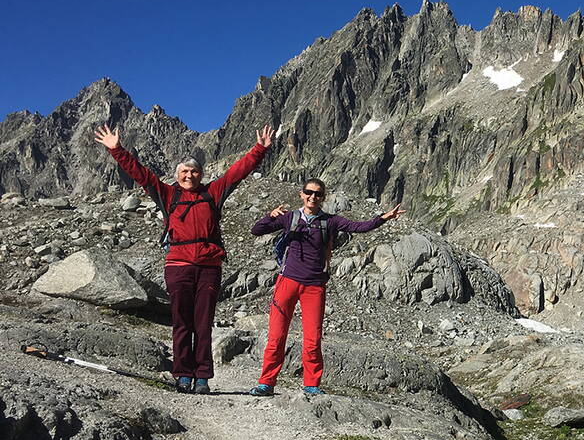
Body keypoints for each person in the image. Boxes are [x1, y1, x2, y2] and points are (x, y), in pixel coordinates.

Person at [94, 123, 272, 393]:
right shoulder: (167, 194)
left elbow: (238, 172)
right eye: (184, 172)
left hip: (209, 267)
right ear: (177, 176)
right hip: (178, 266)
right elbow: (140, 174)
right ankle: (182, 374)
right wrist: (117, 150)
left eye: (194, 171)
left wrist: (259, 149)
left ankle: (202, 377)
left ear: (201, 174)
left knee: (203, 323)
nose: (189, 175)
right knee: (181, 323)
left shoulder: (213, 192)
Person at [249, 179, 404, 396]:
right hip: (288, 282)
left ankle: (311, 384)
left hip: (314, 286)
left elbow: (358, 227)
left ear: (323, 198)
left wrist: (383, 218)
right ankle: (266, 382)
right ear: (301, 194)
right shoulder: (289, 218)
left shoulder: (330, 221)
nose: (313, 197)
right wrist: (270, 215)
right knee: (276, 336)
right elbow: (256, 230)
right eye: (309, 192)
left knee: (313, 338)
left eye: (318, 194)